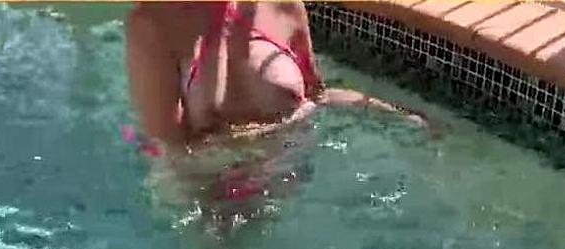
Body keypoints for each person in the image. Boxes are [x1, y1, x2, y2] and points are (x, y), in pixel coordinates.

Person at [123, 0, 432, 153]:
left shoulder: (284, 5)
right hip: (210, 199)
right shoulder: (153, 24)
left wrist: (393, 113)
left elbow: (317, 97)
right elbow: (171, 150)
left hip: (293, 175)